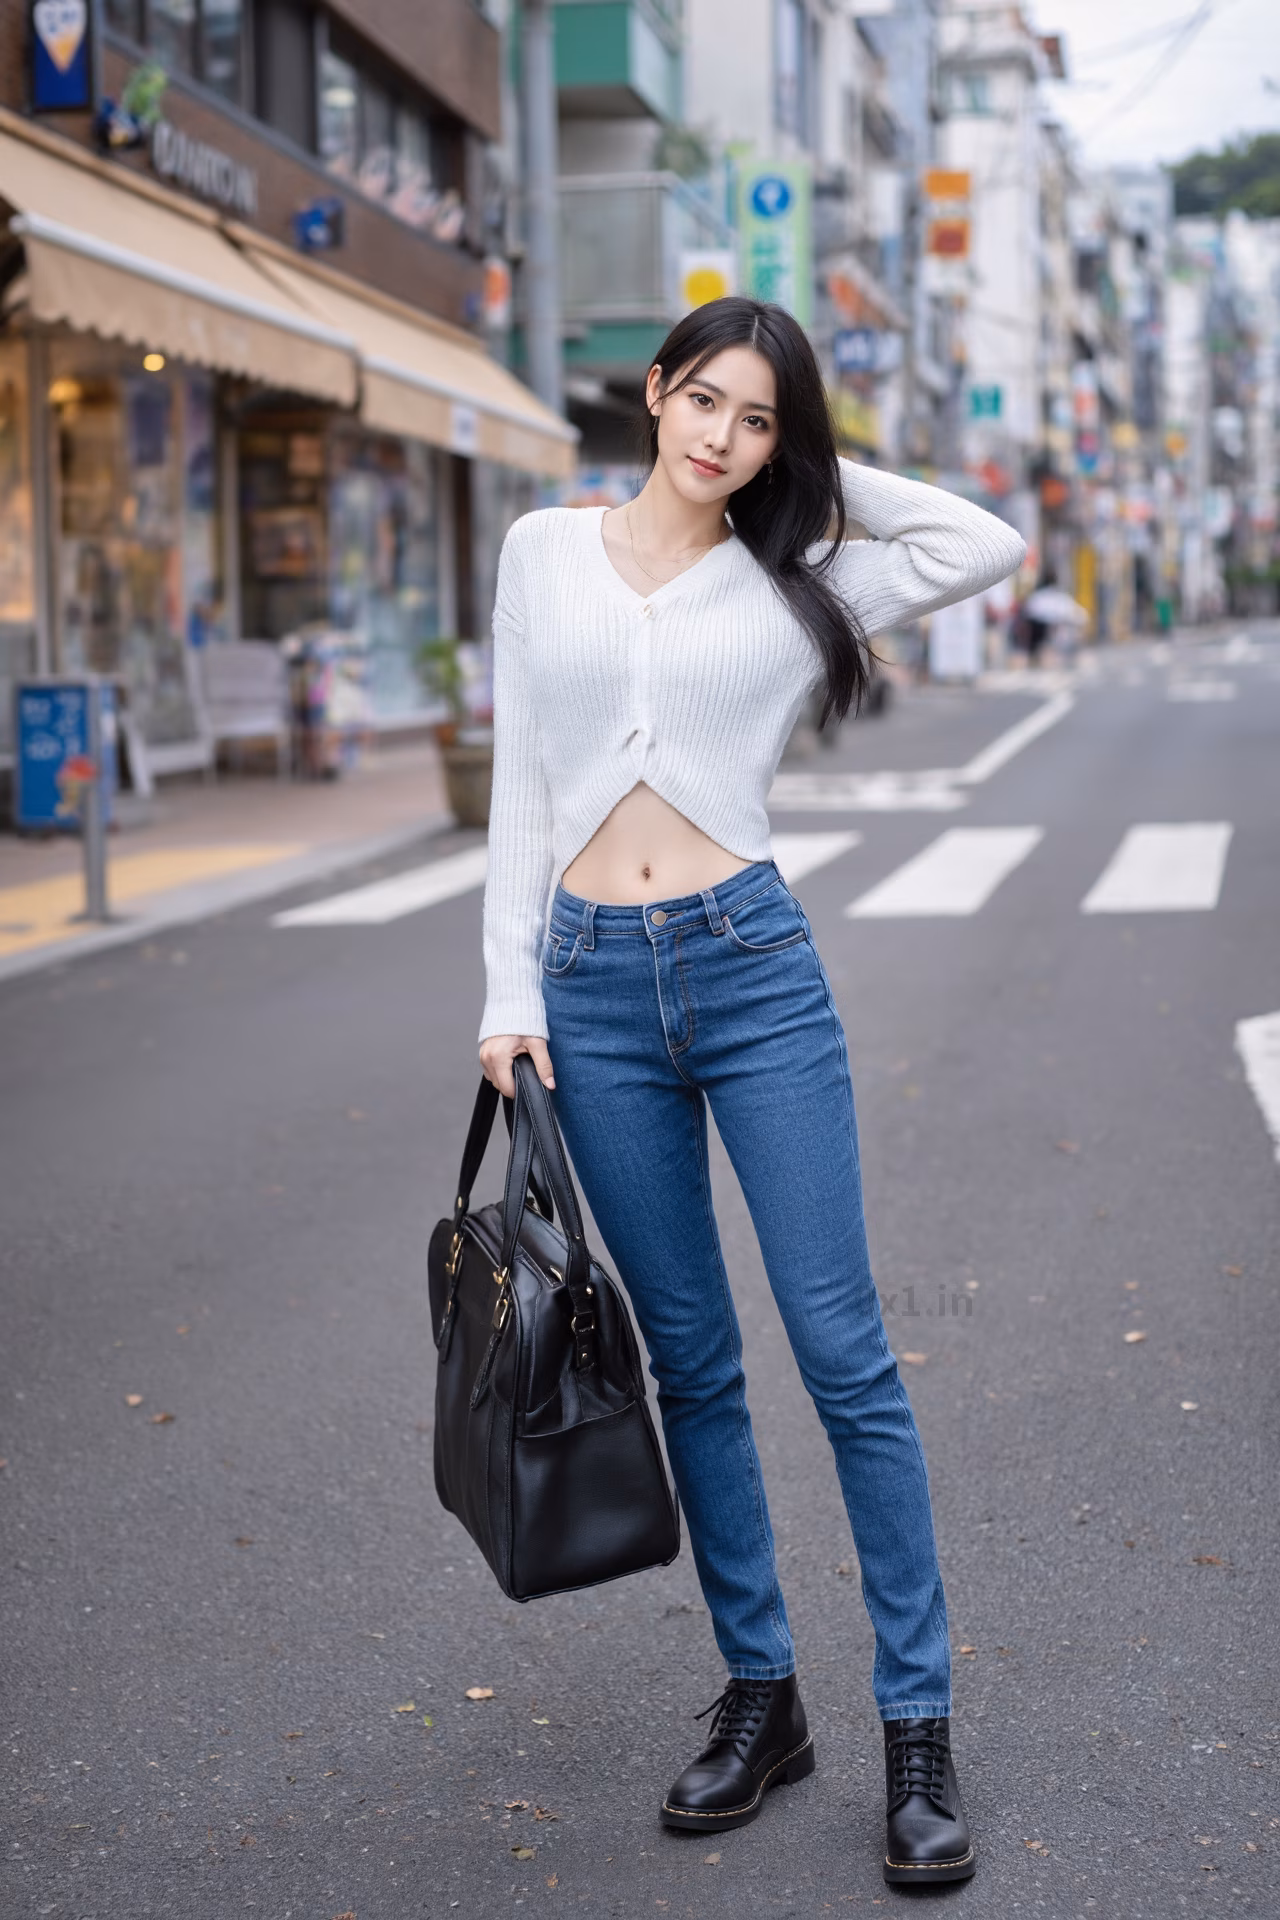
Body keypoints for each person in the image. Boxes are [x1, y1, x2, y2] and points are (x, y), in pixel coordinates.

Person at [475, 296, 1025, 1886]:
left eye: (759, 421)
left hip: (750, 967)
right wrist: (510, 993)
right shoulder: (538, 552)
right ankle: (762, 1695)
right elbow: (522, 783)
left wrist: (825, 480)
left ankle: (915, 1728)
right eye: (703, 401)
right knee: (694, 1367)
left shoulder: (797, 577)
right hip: (590, 981)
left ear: (786, 445)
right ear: (653, 394)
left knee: (845, 1356)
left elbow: (976, 543)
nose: (721, 438)